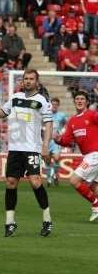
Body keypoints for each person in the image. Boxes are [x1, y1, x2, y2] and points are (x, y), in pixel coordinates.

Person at [0, 69, 53, 237]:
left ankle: (47, 220)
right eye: (26, 78)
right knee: (11, 182)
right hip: (15, 148)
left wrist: (46, 145)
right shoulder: (14, 98)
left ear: (37, 82)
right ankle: (10, 223)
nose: (28, 81)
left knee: (35, 181)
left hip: (32, 148)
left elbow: (48, 124)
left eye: (31, 79)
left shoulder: (42, 101)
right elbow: (1, 113)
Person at [54, 91, 98, 221]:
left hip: (95, 154)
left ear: (87, 102)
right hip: (89, 156)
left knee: (74, 180)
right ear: (74, 102)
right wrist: (58, 140)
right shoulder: (72, 121)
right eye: (77, 99)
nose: (79, 101)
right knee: (94, 187)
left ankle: (96, 204)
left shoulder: (91, 115)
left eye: (82, 99)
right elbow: (67, 141)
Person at [46, 97, 67, 186]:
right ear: (50, 105)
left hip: (55, 141)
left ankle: (52, 177)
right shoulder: (46, 114)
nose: (54, 106)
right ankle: (50, 177)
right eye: (52, 104)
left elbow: (66, 124)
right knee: (47, 160)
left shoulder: (61, 115)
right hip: (46, 140)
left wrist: (62, 132)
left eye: (56, 104)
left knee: (56, 158)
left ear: (58, 105)